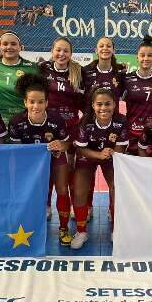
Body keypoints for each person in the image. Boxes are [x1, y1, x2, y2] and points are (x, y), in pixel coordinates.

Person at [9, 74, 73, 246]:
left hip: (56, 159)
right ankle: (31, 227)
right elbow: (15, 151)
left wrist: (61, 144)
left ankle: (63, 228)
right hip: (30, 164)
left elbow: (67, 144)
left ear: (46, 103)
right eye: (32, 101)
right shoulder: (16, 122)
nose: (35, 106)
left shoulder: (56, 120)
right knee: (33, 193)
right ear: (25, 102)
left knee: (62, 190)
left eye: (40, 102)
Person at [72, 88, 128, 249]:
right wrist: (99, 155)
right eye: (99, 104)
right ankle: (81, 231)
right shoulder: (85, 122)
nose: (104, 108)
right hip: (88, 156)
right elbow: (80, 149)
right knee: (79, 191)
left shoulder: (121, 121)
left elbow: (120, 147)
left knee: (116, 188)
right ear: (93, 105)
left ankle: (115, 231)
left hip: (110, 157)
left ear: (115, 104)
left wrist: (110, 154)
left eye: (108, 104)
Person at [81, 37, 126, 220]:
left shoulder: (120, 73)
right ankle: (88, 207)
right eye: (101, 45)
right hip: (90, 125)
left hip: (112, 127)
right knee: (88, 173)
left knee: (113, 175)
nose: (105, 48)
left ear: (113, 50)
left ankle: (112, 210)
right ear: (96, 49)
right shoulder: (86, 72)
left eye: (108, 46)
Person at [38, 37, 83, 220]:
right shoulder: (43, 69)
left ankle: (74, 206)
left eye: (65, 51)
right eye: (58, 50)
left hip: (71, 127)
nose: (61, 54)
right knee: (48, 169)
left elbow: (84, 100)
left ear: (71, 54)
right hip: (49, 128)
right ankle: (47, 205)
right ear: (52, 51)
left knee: (70, 168)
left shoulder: (79, 72)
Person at [121, 36, 152, 155]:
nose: (146, 58)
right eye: (142, 55)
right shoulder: (127, 78)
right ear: (137, 57)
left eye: (150, 55)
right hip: (132, 132)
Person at [0, 31, 39, 122]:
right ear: (0, 47)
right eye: (5, 44)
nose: (9, 47)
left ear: (20, 47)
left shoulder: (32, 68)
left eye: (13, 44)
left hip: (22, 120)